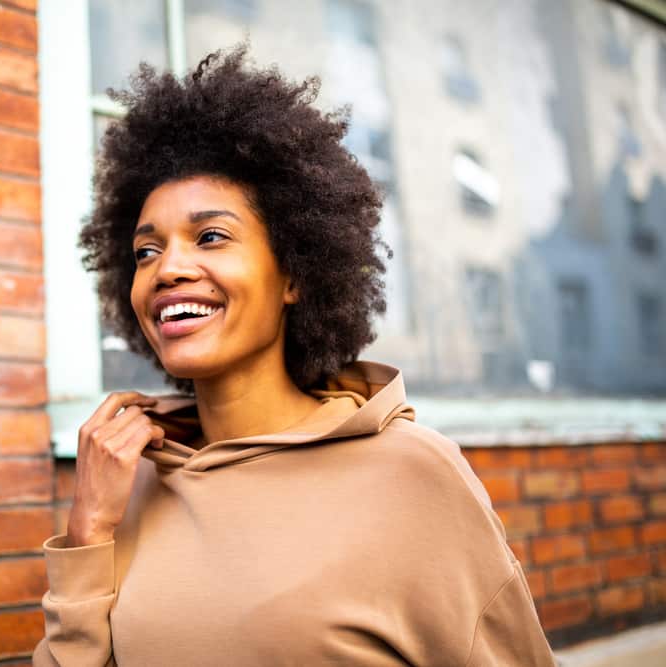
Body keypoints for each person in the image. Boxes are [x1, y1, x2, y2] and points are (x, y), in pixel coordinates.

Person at [33, 44, 556, 666]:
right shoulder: (132, 478)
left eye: (210, 237)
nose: (168, 268)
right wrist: (88, 532)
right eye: (146, 251)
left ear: (294, 275)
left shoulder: (413, 476)